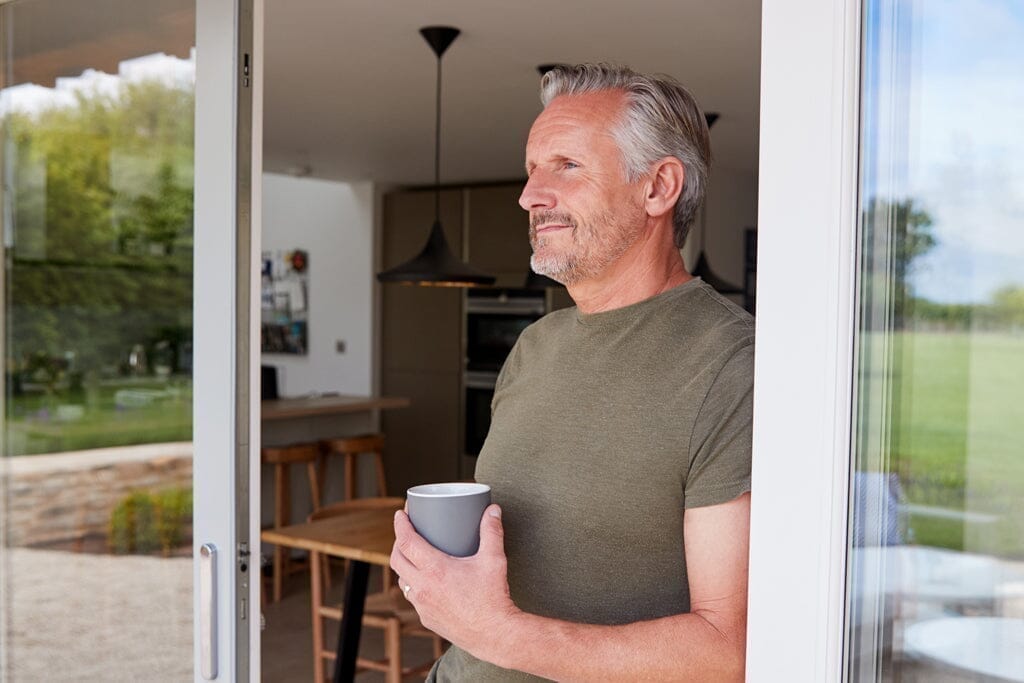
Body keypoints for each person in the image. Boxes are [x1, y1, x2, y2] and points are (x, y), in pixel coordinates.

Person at [390, 63, 754, 681]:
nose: (530, 194)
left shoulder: (732, 364)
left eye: (567, 165)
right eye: (532, 168)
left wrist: (496, 632)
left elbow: (729, 652)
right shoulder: (536, 344)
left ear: (658, 187)